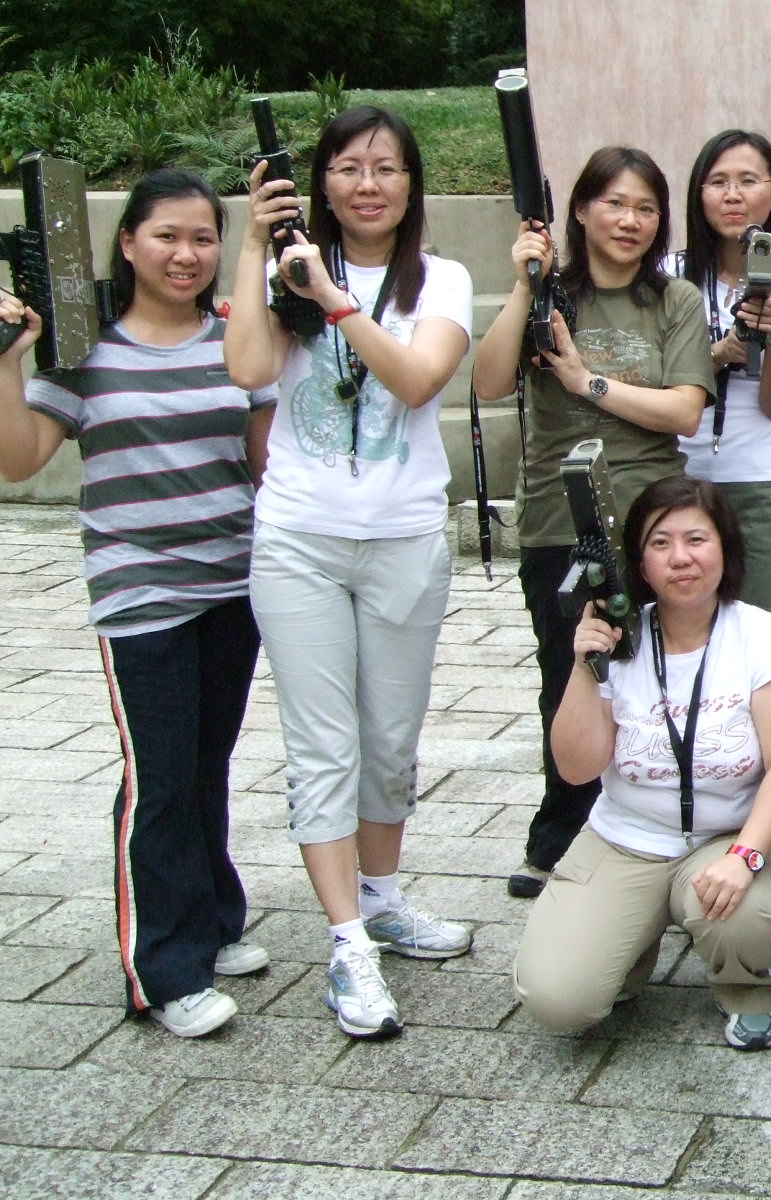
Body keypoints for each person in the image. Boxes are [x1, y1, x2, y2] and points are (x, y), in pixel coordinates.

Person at [0, 171, 276, 1038]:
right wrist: (7, 359)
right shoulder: (84, 353)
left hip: (233, 586)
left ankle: (212, 918)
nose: (186, 254)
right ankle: (159, 969)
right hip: (141, 592)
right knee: (158, 777)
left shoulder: (237, 341)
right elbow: (19, 458)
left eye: (203, 238)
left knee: (206, 761)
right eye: (166, 236)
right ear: (127, 243)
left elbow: (266, 466)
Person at [225, 104, 477, 1039]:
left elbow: (417, 380)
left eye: (386, 168)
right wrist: (256, 249)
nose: (367, 185)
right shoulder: (281, 268)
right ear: (320, 184)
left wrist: (332, 297)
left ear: (411, 185)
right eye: (347, 168)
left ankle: (381, 898)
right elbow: (246, 366)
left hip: (405, 536)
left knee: (390, 739)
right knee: (323, 745)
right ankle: (347, 945)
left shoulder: (441, 278)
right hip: (300, 540)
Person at [472, 146, 716, 899]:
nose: (629, 220)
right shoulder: (550, 295)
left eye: (645, 207)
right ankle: (562, 835)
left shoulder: (673, 300)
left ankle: (660, 825)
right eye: (613, 203)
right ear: (578, 210)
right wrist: (526, 283)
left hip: (652, 520)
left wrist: (586, 381)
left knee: (659, 677)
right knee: (570, 677)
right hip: (560, 516)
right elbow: (488, 382)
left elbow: (684, 409)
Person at [512, 475, 771, 1050]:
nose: (681, 558)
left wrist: (747, 855)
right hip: (626, 838)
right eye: (660, 543)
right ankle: (630, 945)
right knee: (558, 1000)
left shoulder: (760, 634)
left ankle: (744, 988)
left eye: (697, 539)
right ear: (640, 563)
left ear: (724, 548)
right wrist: (584, 667)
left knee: (746, 918)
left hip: (728, 835)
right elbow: (576, 769)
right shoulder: (619, 640)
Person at [672, 129, 771, 652]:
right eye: (718, 182)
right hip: (683, 476)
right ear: (699, 194)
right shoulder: (671, 276)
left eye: (748, 181)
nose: (732, 195)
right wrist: (720, 353)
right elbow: (660, 383)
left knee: (770, 641)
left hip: (768, 485)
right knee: (685, 636)